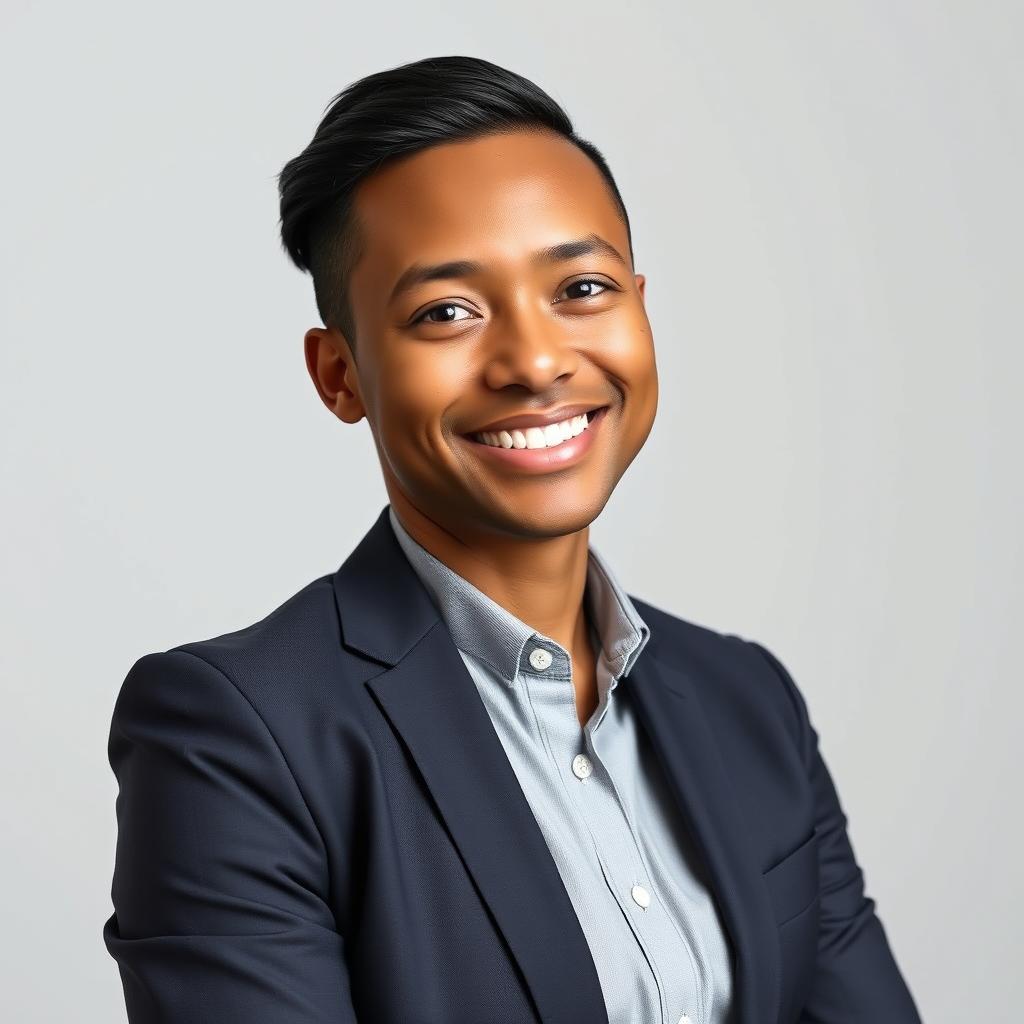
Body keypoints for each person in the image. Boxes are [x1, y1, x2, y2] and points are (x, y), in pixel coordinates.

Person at [102, 55, 921, 1024]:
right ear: (340, 375)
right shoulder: (237, 734)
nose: (534, 361)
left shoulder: (748, 702)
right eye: (446, 311)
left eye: (581, 287)